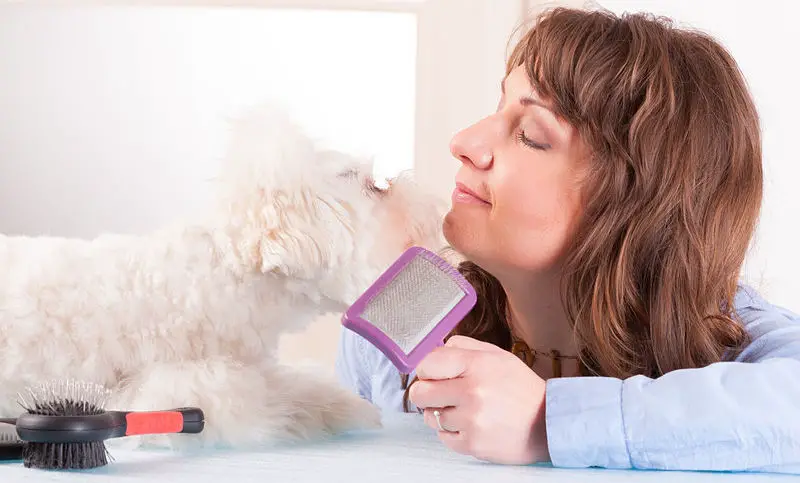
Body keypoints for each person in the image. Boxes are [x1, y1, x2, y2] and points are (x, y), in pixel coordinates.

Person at [335, 5, 800, 473]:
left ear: (634, 205)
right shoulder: (395, 324)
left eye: (530, 135)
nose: (464, 141)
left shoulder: (728, 336)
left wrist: (548, 419)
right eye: (498, 109)